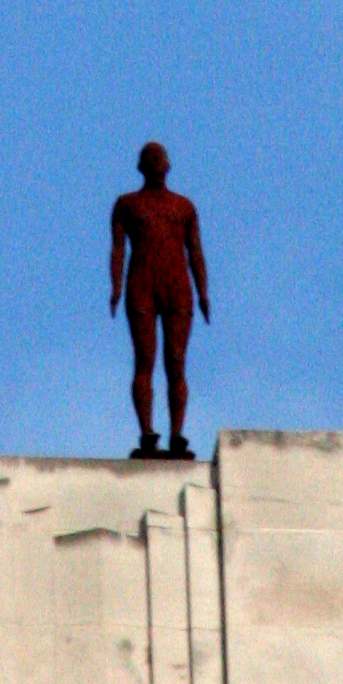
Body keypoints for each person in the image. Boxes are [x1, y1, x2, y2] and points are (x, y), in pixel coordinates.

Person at [109, 143, 210, 461]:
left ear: (167, 165)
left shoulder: (184, 207)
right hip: (142, 284)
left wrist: (203, 292)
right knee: (145, 359)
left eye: (159, 159)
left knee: (176, 361)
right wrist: (116, 287)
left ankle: (177, 433)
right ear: (141, 167)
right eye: (149, 159)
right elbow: (118, 249)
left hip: (177, 286)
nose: (155, 163)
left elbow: (195, 251)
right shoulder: (127, 204)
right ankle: (147, 432)